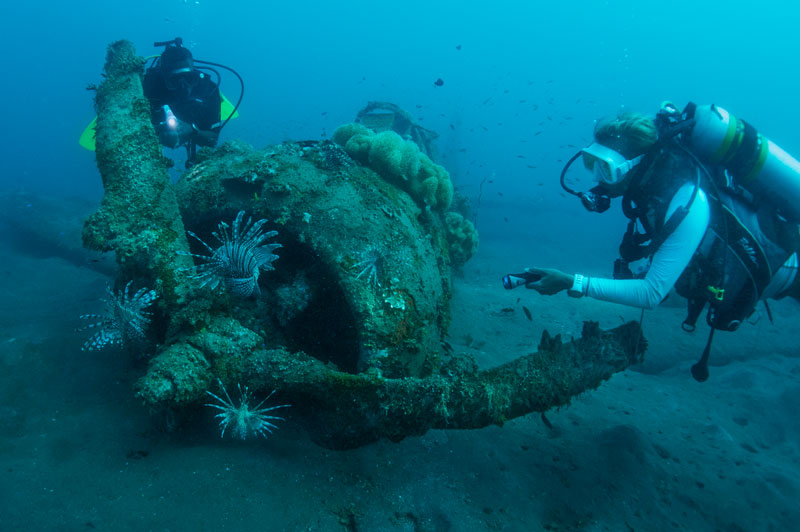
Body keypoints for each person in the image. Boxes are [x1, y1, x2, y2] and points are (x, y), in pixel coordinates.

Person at [524, 102, 800, 380]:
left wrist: (572, 282)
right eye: (592, 166)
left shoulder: (688, 197)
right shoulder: (653, 193)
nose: (599, 180)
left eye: (606, 169)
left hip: (789, 271)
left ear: (635, 165)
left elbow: (651, 293)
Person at [142, 38, 225, 167]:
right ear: (164, 79)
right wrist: (155, 131)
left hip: (194, 123)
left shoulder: (208, 90)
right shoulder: (150, 88)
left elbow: (212, 140)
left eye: (189, 78)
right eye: (174, 81)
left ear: (195, 74)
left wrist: (193, 131)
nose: (184, 87)